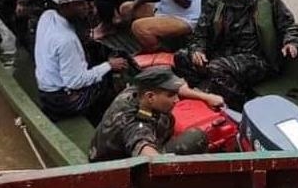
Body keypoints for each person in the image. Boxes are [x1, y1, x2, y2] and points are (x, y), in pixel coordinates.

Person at [179, 0, 298, 108]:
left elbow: (289, 26)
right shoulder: (216, 2)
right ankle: (205, 92)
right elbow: (200, 33)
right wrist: (197, 50)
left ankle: (239, 107)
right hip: (224, 53)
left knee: (217, 68)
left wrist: (291, 42)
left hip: (257, 58)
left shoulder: (269, 0)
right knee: (181, 57)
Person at [88, 68, 223, 162]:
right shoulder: (135, 124)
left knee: (166, 119)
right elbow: (145, 152)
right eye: (171, 95)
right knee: (195, 137)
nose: (176, 99)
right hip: (116, 168)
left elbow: (178, 88)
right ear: (150, 97)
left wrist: (206, 97)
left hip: (109, 150)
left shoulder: (136, 91)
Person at [34, 0, 128, 121]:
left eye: (86, 3)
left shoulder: (48, 15)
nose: (86, 7)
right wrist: (109, 66)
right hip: (63, 101)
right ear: (65, 5)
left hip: (46, 91)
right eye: (80, 4)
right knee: (104, 80)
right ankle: (108, 116)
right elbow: (75, 82)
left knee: (94, 54)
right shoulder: (67, 40)